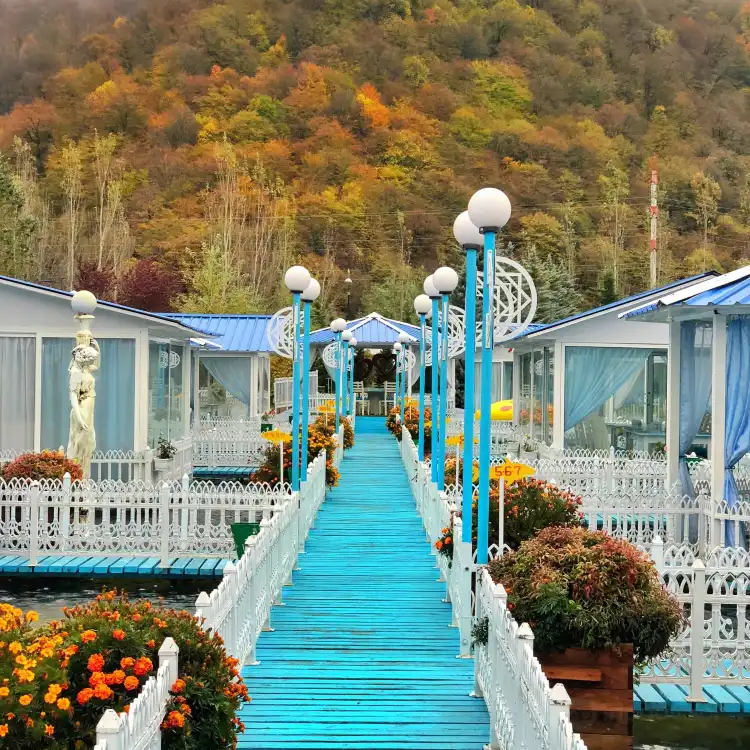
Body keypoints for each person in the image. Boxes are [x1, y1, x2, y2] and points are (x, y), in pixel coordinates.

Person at [66, 336, 100, 480]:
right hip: (82, 410)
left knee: (88, 442)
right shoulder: (76, 373)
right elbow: (73, 396)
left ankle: (84, 478)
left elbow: (96, 365)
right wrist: (79, 418)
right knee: (82, 443)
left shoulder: (84, 369)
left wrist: (97, 349)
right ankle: (79, 478)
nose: (91, 364)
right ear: (83, 359)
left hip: (88, 409)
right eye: (89, 360)